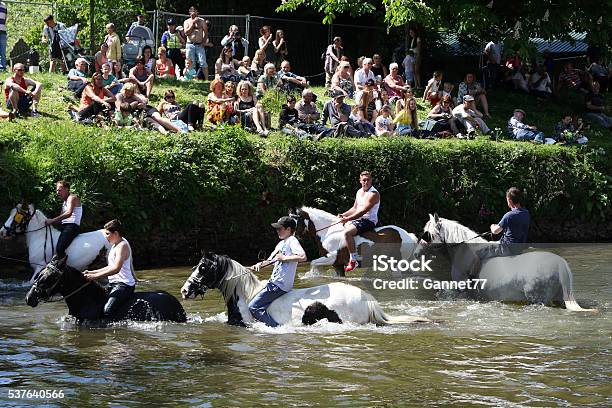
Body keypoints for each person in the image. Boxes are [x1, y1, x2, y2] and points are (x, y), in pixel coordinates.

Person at [248, 216, 306, 327]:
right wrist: (258, 265)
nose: (277, 231)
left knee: (253, 307)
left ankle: (276, 329)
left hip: (280, 284)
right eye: (277, 229)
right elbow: (271, 261)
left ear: (289, 230)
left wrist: (284, 258)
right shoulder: (281, 244)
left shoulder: (292, 241)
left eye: (280, 228)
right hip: (274, 283)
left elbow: (303, 256)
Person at [83, 219, 136, 319]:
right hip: (113, 284)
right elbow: (110, 266)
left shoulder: (122, 246)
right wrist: (91, 272)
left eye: (107, 234)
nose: (106, 236)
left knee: (108, 310)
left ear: (115, 233)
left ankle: (114, 332)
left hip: (124, 285)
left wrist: (94, 276)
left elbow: (116, 269)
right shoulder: (114, 245)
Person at [338, 171, 380, 272]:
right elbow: (354, 208)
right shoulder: (359, 191)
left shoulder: (373, 194)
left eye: (368, 180)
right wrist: (343, 215)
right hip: (358, 219)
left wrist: (348, 219)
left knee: (347, 233)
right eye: (364, 180)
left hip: (368, 221)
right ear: (360, 181)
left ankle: (353, 260)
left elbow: (363, 211)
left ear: (371, 180)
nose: (366, 182)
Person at [477, 187, 530, 262]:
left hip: (506, 248)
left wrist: (492, 227)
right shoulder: (526, 213)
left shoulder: (509, 215)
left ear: (510, 201)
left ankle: (474, 273)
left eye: (507, 200)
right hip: (519, 249)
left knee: (479, 252)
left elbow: (495, 231)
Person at [44, 180, 82, 259]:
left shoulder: (72, 198)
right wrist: (47, 222)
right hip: (64, 226)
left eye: (60, 190)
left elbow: (68, 213)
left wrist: (52, 220)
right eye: (57, 190)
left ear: (67, 189)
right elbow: (61, 218)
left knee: (59, 249)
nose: (58, 192)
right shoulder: (64, 202)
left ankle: (63, 269)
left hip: (72, 227)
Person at [183, 5, 208, 80]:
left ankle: (206, 80)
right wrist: (193, 23)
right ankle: (190, 79)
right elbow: (186, 33)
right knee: (191, 63)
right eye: (192, 11)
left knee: (203, 62)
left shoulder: (202, 21)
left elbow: (206, 33)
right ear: (189, 12)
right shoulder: (187, 21)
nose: (193, 12)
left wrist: (203, 42)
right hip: (190, 45)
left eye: (195, 11)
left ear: (197, 12)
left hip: (199, 45)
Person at [0, 1, 6, 72]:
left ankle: (2, 68)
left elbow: (5, 17)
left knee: (3, 51)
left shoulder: (4, 5)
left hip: (3, 31)